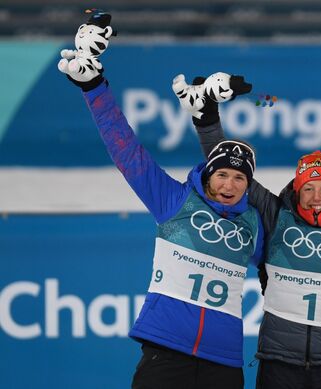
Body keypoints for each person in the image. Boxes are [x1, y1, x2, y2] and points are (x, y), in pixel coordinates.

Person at [58, 14, 264, 389]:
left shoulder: (252, 222)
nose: (230, 183)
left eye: (240, 178)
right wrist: (93, 88)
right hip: (166, 352)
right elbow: (127, 151)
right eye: (222, 174)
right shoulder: (175, 200)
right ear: (207, 173)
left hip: (224, 362)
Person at [174, 75, 321, 389]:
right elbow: (226, 163)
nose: (317, 196)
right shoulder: (276, 216)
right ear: (296, 193)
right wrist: (207, 119)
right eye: (309, 188)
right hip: (277, 363)